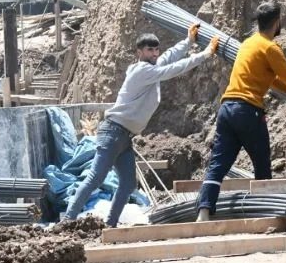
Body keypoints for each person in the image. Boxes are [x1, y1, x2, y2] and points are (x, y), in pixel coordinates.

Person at [62, 24, 220, 225]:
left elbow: (170, 56)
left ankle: (110, 225)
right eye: (149, 50)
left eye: (156, 49)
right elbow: (173, 68)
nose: (154, 53)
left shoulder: (152, 66)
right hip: (112, 132)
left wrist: (189, 41)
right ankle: (67, 221)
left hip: (125, 137)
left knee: (128, 185)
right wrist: (205, 54)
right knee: (95, 178)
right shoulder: (142, 71)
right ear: (139, 52)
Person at [195, 1, 286, 221]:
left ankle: (203, 212)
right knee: (262, 164)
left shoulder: (248, 44)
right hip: (247, 111)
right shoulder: (271, 47)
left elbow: (274, 81)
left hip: (226, 109)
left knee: (218, 164)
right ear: (277, 22)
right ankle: (266, 214)